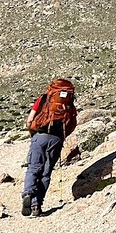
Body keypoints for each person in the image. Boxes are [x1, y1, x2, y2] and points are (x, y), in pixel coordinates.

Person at [21, 78, 78, 217]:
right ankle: (36, 206)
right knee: (46, 172)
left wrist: (32, 133)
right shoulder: (69, 103)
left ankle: (28, 193)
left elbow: (30, 120)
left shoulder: (44, 99)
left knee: (34, 168)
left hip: (39, 136)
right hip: (57, 139)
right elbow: (72, 123)